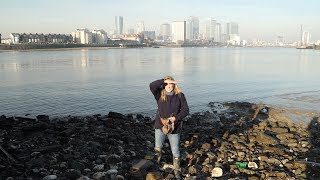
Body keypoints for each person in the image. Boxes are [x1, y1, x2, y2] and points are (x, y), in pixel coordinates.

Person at [149, 76, 189, 179]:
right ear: (164, 84)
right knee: (158, 148)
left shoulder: (180, 95)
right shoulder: (159, 94)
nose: (169, 86)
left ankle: (176, 171)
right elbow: (152, 85)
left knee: (175, 150)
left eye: (171, 84)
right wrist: (164, 80)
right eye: (167, 84)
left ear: (174, 85)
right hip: (160, 125)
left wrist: (175, 118)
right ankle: (156, 169)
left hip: (174, 127)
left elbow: (185, 111)